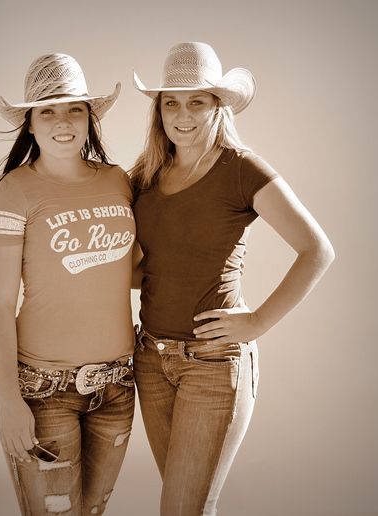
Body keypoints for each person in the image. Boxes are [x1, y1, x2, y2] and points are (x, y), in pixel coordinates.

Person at [130, 41, 335, 516]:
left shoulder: (241, 169)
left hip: (214, 365)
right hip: (151, 362)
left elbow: (316, 250)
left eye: (197, 100)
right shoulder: (145, 175)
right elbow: (148, 269)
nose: (183, 114)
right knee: (186, 505)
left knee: (181, 508)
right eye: (171, 102)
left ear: (218, 104)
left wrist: (258, 322)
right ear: (159, 110)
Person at [0, 53, 136, 516]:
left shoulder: (117, 180)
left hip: (117, 385)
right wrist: (8, 401)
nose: (62, 121)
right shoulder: (12, 192)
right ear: (29, 124)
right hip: (45, 391)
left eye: (74, 109)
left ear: (90, 118)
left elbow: (135, 269)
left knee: (91, 511)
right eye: (47, 110)